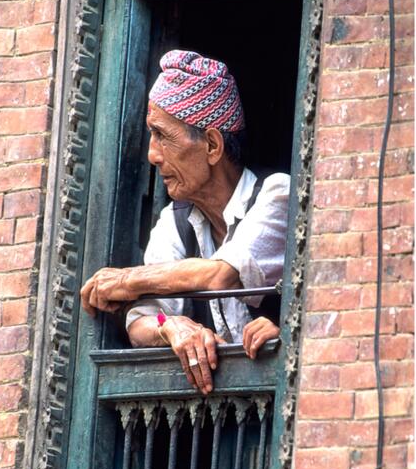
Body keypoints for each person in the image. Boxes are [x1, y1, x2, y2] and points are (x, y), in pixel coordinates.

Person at [80, 50, 289, 395]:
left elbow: (220, 275)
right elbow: (140, 322)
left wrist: (128, 281)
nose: (152, 154)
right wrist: (169, 326)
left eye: (163, 136)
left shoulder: (276, 194)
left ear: (212, 145)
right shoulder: (175, 221)